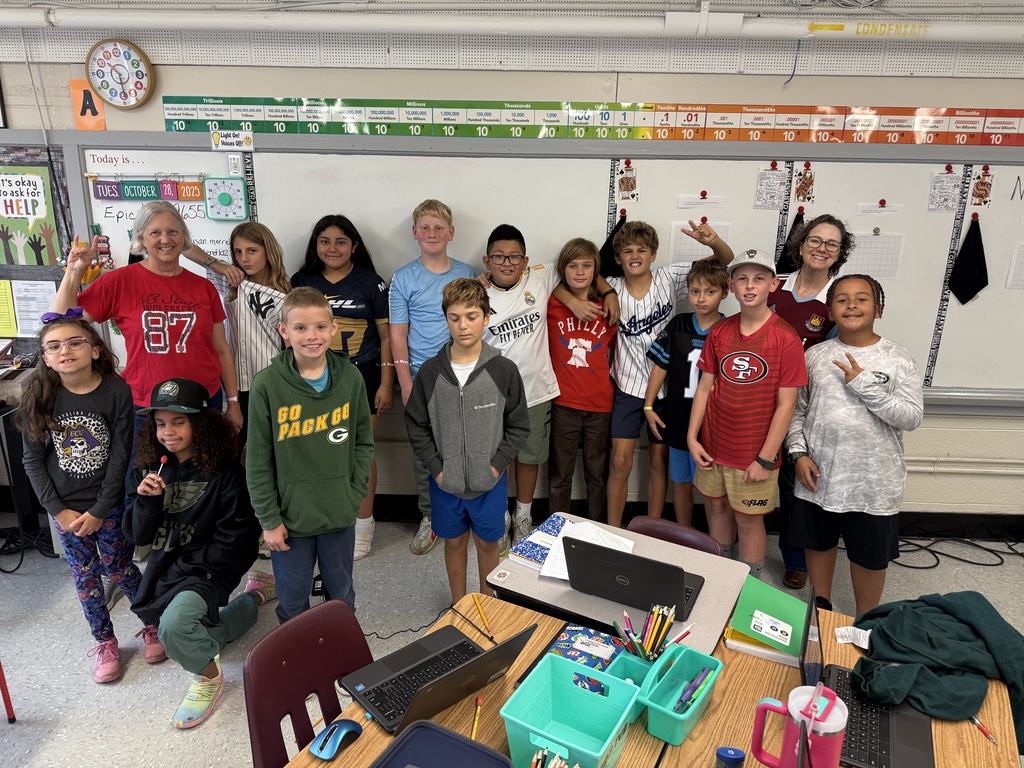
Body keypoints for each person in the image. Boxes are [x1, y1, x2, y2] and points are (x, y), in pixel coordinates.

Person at [124, 378, 274, 729]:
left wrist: (187, 571)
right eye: (160, 423)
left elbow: (237, 542)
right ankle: (255, 596)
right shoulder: (147, 470)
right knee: (207, 631)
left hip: (208, 570)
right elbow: (135, 536)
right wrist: (146, 503)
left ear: (201, 424)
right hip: (166, 568)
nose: (168, 432)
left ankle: (209, 678)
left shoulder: (227, 475)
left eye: (179, 422)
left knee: (174, 627)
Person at [17, 314, 159, 683]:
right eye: (54, 346)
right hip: (64, 509)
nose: (65, 350)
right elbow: (32, 460)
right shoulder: (39, 393)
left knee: (120, 567)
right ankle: (105, 641)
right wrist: (58, 511)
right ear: (46, 358)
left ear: (95, 349)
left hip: (107, 503)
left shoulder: (116, 391)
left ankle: (153, 624)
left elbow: (120, 455)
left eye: (75, 342)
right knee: (85, 576)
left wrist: (100, 509)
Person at [55, 201, 243, 449]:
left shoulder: (204, 288)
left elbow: (221, 350)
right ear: (142, 238)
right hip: (145, 407)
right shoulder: (118, 282)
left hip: (203, 403)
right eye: (155, 232)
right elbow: (61, 324)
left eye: (173, 231)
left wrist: (233, 402)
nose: (165, 239)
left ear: (183, 236)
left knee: (206, 471)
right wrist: (74, 273)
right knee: (143, 472)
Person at [786, 274, 923, 615]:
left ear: (878, 308)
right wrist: (798, 454)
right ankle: (822, 609)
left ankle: (865, 618)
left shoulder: (898, 358)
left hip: (873, 481)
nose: (851, 305)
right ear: (830, 311)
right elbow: (796, 412)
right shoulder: (814, 356)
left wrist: (863, 384)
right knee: (818, 543)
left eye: (862, 298)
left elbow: (911, 417)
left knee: (869, 555)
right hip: (819, 474)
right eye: (842, 299)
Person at [480, 224, 619, 544]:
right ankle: (500, 517)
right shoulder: (478, 291)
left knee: (531, 457)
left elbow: (584, 268)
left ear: (525, 261)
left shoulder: (540, 277)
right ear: (487, 261)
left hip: (538, 391)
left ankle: (524, 516)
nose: (506, 262)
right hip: (496, 393)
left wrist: (609, 292)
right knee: (499, 458)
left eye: (514, 256)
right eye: (498, 257)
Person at [246, 287, 373, 622]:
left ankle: (339, 648)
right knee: (292, 599)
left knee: (341, 594)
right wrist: (269, 520)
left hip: (338, 514)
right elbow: (258, 461)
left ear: (333, 327)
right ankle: (298, 652)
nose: (311, 336)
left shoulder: (351, 377)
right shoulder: (267, 385)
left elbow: (363, 442)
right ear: (284, 331)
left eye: (320, 326)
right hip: (289, 521)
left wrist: (353, 494)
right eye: (300, 328)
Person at [404, 279, 529, 604]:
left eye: (471, 317)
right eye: (455, 317)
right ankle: (460, 605)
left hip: (490, 483)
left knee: (488, 544)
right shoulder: (431, 372)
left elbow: (518, 426)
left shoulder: (503, 370)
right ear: (446, 318)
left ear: (486, 317)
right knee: (455, 542)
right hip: (445, 483)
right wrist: (437, 469)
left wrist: (496, 466)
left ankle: (487, 606)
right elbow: (416, 424)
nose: (463, 325)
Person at [687, 250, 807, 578]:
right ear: (731, 286)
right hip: (713, 447)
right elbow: (704, 388)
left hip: (753, 455)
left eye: (758, 278)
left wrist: (765, 459)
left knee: (748, 520)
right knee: (716, 508)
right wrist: (692, 438)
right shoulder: (720, 332)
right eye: (742, 279)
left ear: (774, 285)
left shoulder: (785, 338)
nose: (750, 285)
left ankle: (748, 585)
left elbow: (786, 405)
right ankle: (720, 577)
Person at [606, 220, 733, 528]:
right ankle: (612, 529)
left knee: (659, 460)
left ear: (653, 254)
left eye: (642, 250)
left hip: (668, 390)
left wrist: (713, 242)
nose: (635, 256)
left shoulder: (669, 276)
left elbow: (723, 262)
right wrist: (604, 292)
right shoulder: (611, 286)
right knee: (620, 461)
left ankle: (653, 529)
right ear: (618, 257)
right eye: (627, 251)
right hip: (628, 385)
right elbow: (577, 277)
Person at [292, 215, 392, 560]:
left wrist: (387, 383)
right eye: (325, 241)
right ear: (315, 245)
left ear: (354, 246)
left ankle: (363, 524)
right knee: (315, 453)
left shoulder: (371, 283)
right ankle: (326, 520)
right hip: (313, 379)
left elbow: (386, 337)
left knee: (357, 454)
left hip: (362, 378)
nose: (332, 248)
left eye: (340, 241)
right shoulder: (302, 281)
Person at [770, 214, 855, 590]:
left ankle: (795, 559)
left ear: (840, 253)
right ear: (801, 245)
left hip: (803, 407)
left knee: (795, 487)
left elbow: (840, 358)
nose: (822, 248)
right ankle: (739, 543)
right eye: (815, 240)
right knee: (748, 474)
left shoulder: (839, 299)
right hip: (759, 399)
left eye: (832, 244)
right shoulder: (774, 286)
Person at [389, 199, 476, 554]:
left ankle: (466, 511)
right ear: (414, 233)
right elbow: (397, 333)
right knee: (424, 450)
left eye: (439, 227)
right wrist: (405, 383)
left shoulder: (467, 273)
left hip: (463, 374)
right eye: (424, 227)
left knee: (465, 444)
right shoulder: (403, 277)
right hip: (421, 377)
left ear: (451, 233)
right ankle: (430, 516)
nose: (432, 233)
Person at [644, 257, 729, 526]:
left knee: (713, 491)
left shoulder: (729, 330)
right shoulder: (678, 324)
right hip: (679, 417)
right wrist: (648, 405)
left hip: (713, 422)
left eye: (710, 291)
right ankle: (684, 535)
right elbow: (661, 366)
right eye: (695, 291)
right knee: (680, 484)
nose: (701, 298)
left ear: (725, 293)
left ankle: (719, 541)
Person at [546, 237, 617, 520]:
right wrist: (571, 300)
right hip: (564, 402)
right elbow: (548, 285)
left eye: (587, 266)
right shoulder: (552, 302)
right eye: (572, 266)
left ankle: (596, 530)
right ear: (563, 269)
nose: (579, 272)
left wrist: (609, 292)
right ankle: (556, 529)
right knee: (559, 473)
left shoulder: (608, 306)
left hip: (600, 404)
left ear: (596, 270)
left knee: (597, 475)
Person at [225, 222, 291, 445]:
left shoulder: (285, 295)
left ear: (268, 251)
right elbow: (188, 249)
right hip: (235, 386)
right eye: (238, 252)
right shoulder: (230, 285)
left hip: (271, 384)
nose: (244, 258)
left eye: (252, 251)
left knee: (269, 450)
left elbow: (292, 350)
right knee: (233, 450)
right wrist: (221, 267)